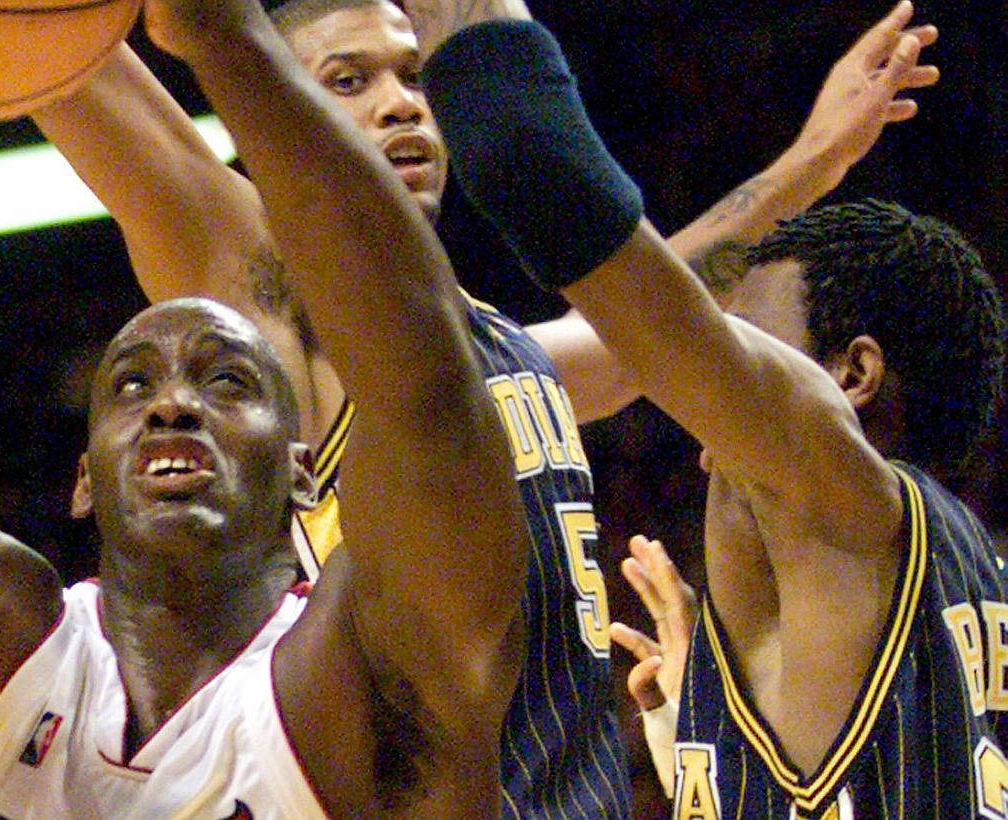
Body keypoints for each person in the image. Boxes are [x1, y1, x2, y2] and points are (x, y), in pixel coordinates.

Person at [27, 2, 938, 814]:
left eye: (414, 75)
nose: (400, 103)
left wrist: (817, 160)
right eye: (347, 81)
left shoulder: (493, 345)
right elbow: (83, 79)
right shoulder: (277, 302)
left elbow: (646, 327)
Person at [0, 0, 536, 817]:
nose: (173, 403)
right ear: (84, 480)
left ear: (302, 471)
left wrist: (232, 44)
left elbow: (427, 399)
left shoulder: (362, 672)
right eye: (132, 384)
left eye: (229, 383)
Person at [413, 0, 1008, 814]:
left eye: (741, 346)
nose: (689, 400)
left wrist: (471, 29)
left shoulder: (841, 492)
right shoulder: (955, 583)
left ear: (851, 378)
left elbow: (535, 163)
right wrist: (712, 760)